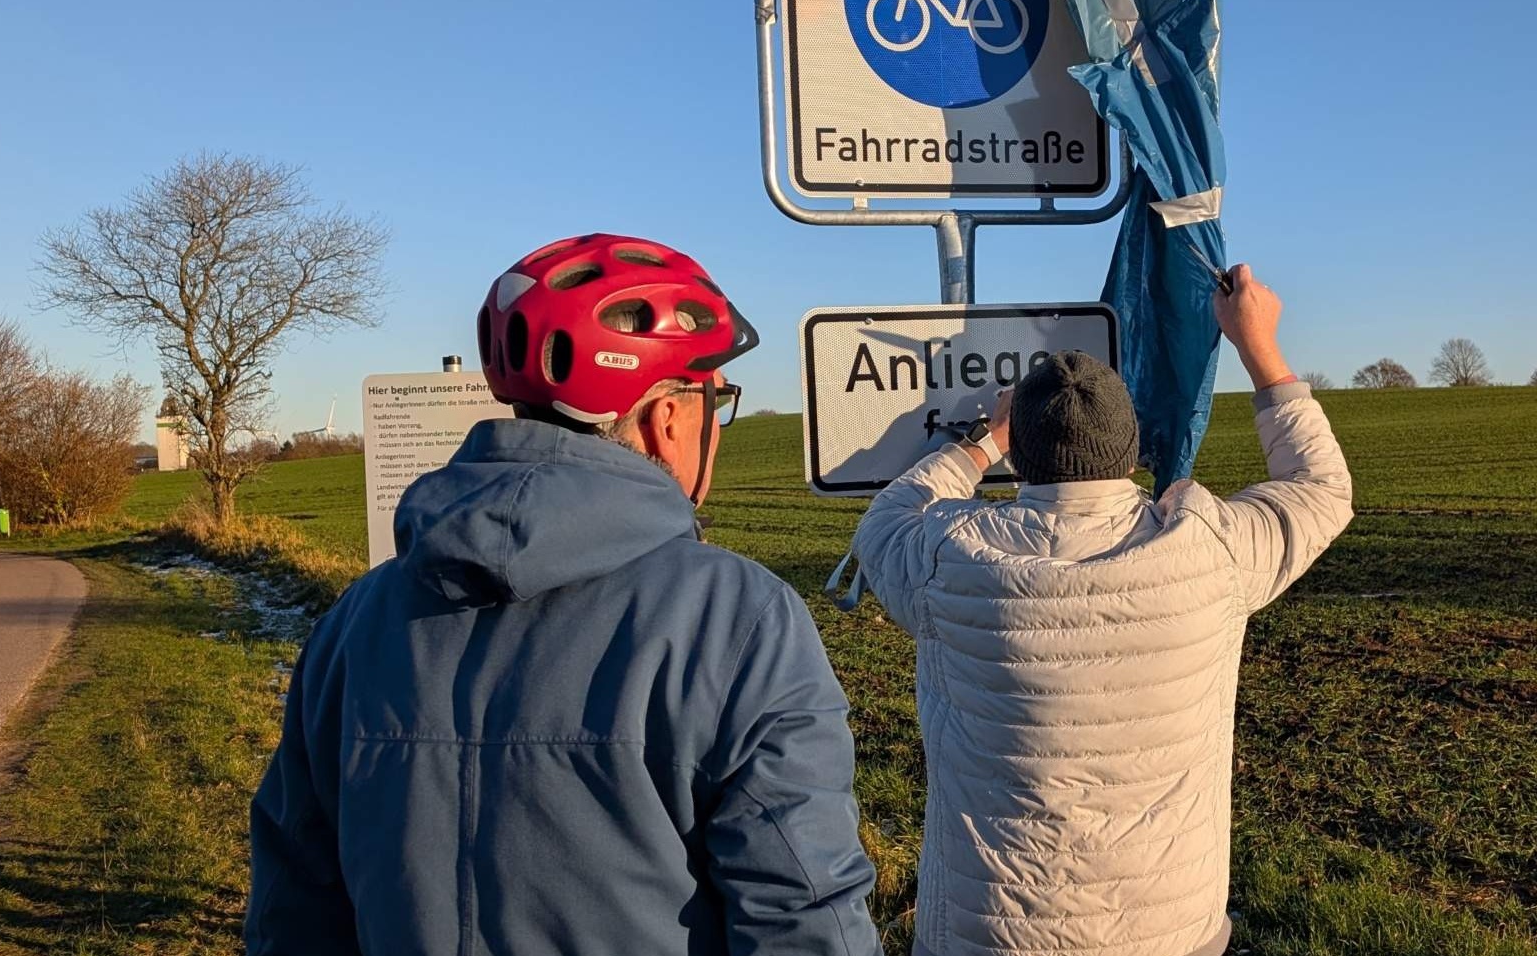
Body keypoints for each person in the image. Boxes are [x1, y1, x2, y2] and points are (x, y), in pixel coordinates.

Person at [247, 234, 881, 956]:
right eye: (717, 400)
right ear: (668, 417)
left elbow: (292, 909)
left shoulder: (354, 622)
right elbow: (802, 916)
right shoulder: (739, 620)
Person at [849, 265, 1354, 956]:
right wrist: (1258, 345)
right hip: (1170, 936)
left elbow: (883, 525)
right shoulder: (1209, 551)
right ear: (1129, 447)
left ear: (1021, 457)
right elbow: (1320, 488)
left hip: (986, 935)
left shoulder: (953, 557)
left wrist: (981, 443)